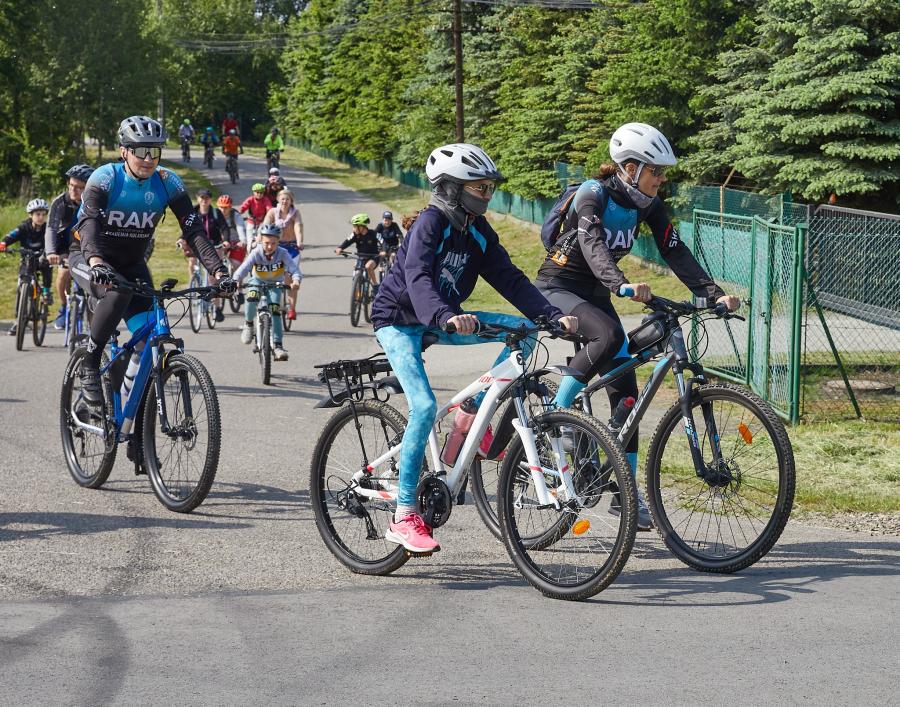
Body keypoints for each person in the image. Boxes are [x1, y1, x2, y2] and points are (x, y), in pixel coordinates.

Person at [370, 143, 578, 553]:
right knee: (424, 407)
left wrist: (552, 315)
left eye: (489, 187)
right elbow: (417, 276)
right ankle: (404, 514)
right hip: (399, 320)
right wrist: (444, 314)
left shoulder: (477, 230)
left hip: (445, 316)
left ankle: (470, 412)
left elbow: (510, 278)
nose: (487, 194)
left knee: (524, 332)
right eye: (480, 187)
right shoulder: (430, 223)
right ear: (451, 188)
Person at [534, 122, 740, 530]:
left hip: (596, 293)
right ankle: (555, 416)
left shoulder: (648, 204)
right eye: (655, 171)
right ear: (630, 167)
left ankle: (624, 494)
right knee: (609, 336)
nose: (662, 179)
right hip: (557, 287)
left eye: (663, 172)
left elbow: (674, 250)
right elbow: (591, 243)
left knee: (627, 394)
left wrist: (713, 293)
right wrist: (621, 283)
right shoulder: (593, 193)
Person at [69, 115, 234, 408]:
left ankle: (130, 419)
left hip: (132, 265)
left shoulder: (167, 182)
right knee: (117, 292)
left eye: (154, 151)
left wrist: (219, 272)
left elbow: (194, 231)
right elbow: (89, 223)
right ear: (124, 151)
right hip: (87, 256)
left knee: (148, 347)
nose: (148, 159)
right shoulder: (105, 178)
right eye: (141, 151)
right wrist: (95, 261)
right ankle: (90, 365)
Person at [232, 223, 301, 362]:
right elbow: (244, 268)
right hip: (257, 281)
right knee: (252, 297)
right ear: (261, 241)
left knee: (275, 309)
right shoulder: (256, 252)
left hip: (275, 284)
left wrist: (296, 280)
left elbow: (294, 269)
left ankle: (278, 346)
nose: (270, 246)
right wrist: (236, 280)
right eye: (266, 243)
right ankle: (249, 324)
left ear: (278, 241)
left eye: (273, 243)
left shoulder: (283, 253)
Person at [46, 164, 93, 328]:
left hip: (88, 246)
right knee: (63, 273)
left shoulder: (95, 202)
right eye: (71, 185)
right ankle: (64, 306)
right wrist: (51, 252)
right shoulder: (60, 202)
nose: (74, 190)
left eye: (79, 187)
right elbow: (51, 228)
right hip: (65, 246)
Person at [0, 199, 52, 336]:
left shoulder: (48, 229)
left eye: (43, 214)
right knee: (21, 285)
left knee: (47, 267)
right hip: (27, 260)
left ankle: (46, 291)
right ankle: (19, 320)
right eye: (37, 214)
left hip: (42, 259)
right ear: (30, 215)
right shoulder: (24, 227)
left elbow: (54, 240)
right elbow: (11, 236)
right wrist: (3, 243)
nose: (40, 217)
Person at [181, 188, 228, 321]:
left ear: (210, 200)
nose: (204, 200)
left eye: (206, 198)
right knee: (191, 263)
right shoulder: (192, 213)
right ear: (197, 198)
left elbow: (224, 228)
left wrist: (225, 240)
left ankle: (217, 308)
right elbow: (186, 228)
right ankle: (194, 284)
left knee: (214, 276)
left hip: (214, 245)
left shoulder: (216, 213)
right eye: (202, 197)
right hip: (197, 245)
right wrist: (181, 239)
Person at [263, 189, 303, 320]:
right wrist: (258, 241)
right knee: (272, 274)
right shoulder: (272, 212)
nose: (285, 201)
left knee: (290, 278)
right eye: (282, 199)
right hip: (276, 247)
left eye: (287, 199)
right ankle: (272, 300)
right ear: (278, 200)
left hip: (292, 248)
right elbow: (264, 228)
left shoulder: (295, 213)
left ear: (291, 201)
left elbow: (298, 227)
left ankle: (292, 308)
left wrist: (299, 241)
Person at [335, 213, 380, 290]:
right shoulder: (355, 234)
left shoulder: (373, 233)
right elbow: (348, 241)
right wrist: (340, 248)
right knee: (356, 270)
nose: (353, 229)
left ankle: (375, 284)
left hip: (373, 257)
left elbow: (383, 242)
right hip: (361, 257)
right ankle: (356, 288)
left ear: (361, 226)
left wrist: (384, 250)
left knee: (368, 266)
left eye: (355, 226)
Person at [216, 194, 247, 269]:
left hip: (235, 243)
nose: (223, 210)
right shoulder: (214, 215)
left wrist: (243, 240)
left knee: (236, 265)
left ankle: (235, 275)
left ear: (230, 207)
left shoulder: (236, 216)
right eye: (221, 207)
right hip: (220, 243)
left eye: (225, 207)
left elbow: (240, 228)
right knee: (215, 265)